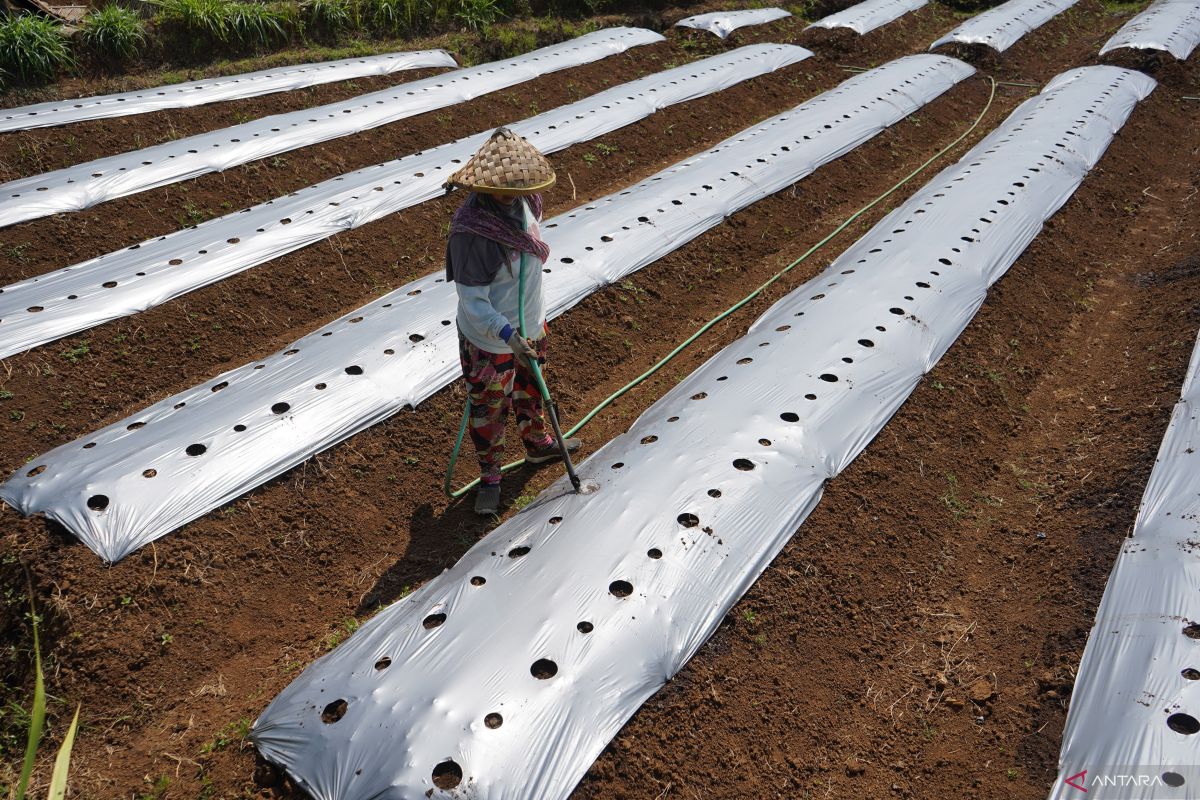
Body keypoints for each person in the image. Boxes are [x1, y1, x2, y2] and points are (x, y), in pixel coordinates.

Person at [444, 127, 582, 515]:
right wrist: (507, 334)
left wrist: (530, 328)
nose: (520, 194)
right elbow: (472, 301)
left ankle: (538, 446)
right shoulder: (473, 234)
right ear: (488, 187)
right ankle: (490, 475)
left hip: (531, 325)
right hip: (490, 340)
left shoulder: (526, 203)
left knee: (530, 389)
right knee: (489, 408)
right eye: (510, 190)